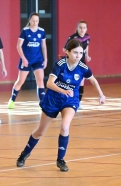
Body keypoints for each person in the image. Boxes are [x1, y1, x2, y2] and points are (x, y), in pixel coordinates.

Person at [16, 39, 106, 172]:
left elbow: (93, 79)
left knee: (65, 126)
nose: (78, 56)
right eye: (75, 52)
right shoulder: (60, 64)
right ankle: (24, 154)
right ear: (67, 52)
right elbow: (49, 83)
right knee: (40, 131)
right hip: (53, 98)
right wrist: (63, 90)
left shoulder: (83, 68)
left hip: (70, 100)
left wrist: (101, 94)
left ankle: (60, 160)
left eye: (81, 53)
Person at [8, 12, 47, 109]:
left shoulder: (42, 31)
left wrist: (45, 59)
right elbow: (18, 46)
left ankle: (42, 102)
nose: (35, 22)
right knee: (20, 81)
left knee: (40, 80)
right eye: (33, 20)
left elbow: (43, 46)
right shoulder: (25, 31)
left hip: (38, 59)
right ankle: (12, 100)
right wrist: (23, 59)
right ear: (29, 20)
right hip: (26, 60)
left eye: (37, 21)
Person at [63, 20, 91, 108]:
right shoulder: (72, 38)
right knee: (71, 82)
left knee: (81, 83)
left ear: (86, 29)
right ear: (77, 28)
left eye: (84, 28)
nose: (82, 29)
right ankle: (67, 100)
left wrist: (87, 55)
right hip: (73, 63)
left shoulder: (87, 37)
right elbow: (65, 49)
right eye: (80, 27)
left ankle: (78, 102)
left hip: (82, 63)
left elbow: (86, 47)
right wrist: (72, 55)